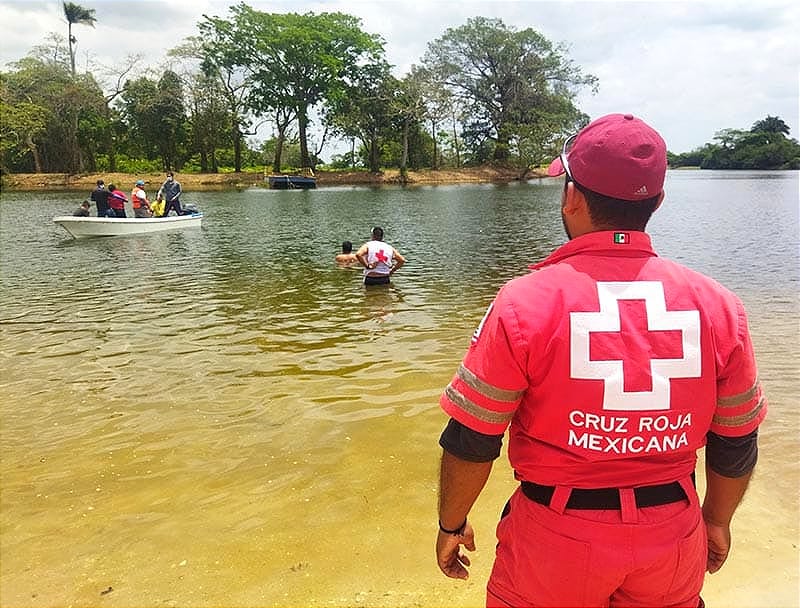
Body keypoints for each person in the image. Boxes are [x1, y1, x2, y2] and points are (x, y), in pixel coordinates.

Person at [435, 113, 767, 608]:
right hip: (672, 534)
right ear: (657, 200)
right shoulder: (719, 305)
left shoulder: (525, 302)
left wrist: (451, 523)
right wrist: (716, 521)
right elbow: (736, 438)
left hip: (556, 538)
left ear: (571, 196)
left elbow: (473, 436)